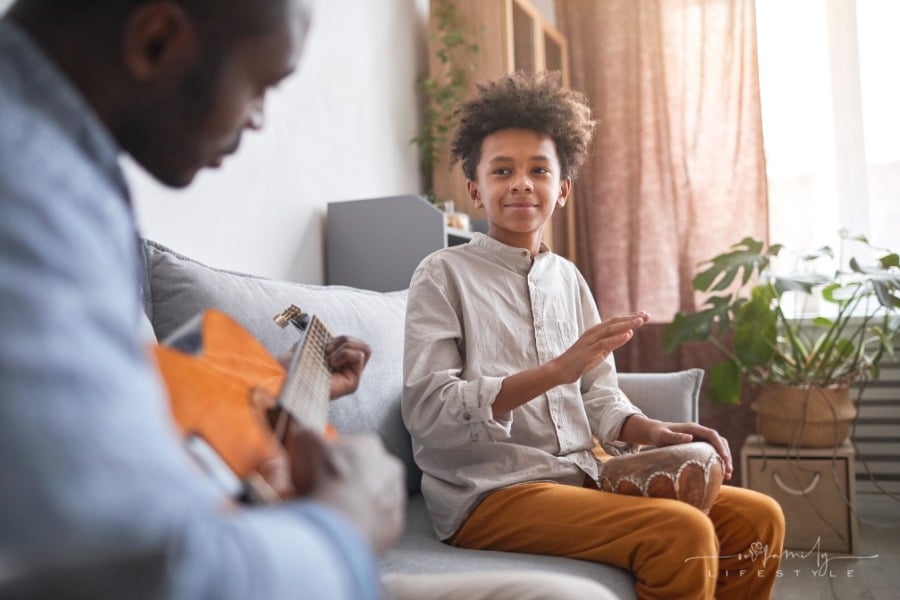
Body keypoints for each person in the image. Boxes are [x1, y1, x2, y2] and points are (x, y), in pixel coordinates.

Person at [0, 2, 618, 598]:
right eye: (260, 84)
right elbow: (120, 565)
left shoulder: (77, 178)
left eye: (538, 172)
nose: (258, 119)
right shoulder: (29, 194)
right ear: (157, 42)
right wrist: (341, 525)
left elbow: (138, 441)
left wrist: (301, 398)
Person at [402, 71, 786, 600]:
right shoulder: (441, 275)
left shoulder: (569, 279)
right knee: (682, 532)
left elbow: (598, 394)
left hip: (586, 473)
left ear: (561, 190)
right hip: (490, 493)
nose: (521, 183)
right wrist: (554, 372)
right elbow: (428, 410)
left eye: (539, 170)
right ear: (475, 189)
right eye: (502, 170)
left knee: (759, 520)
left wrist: (651, 431)